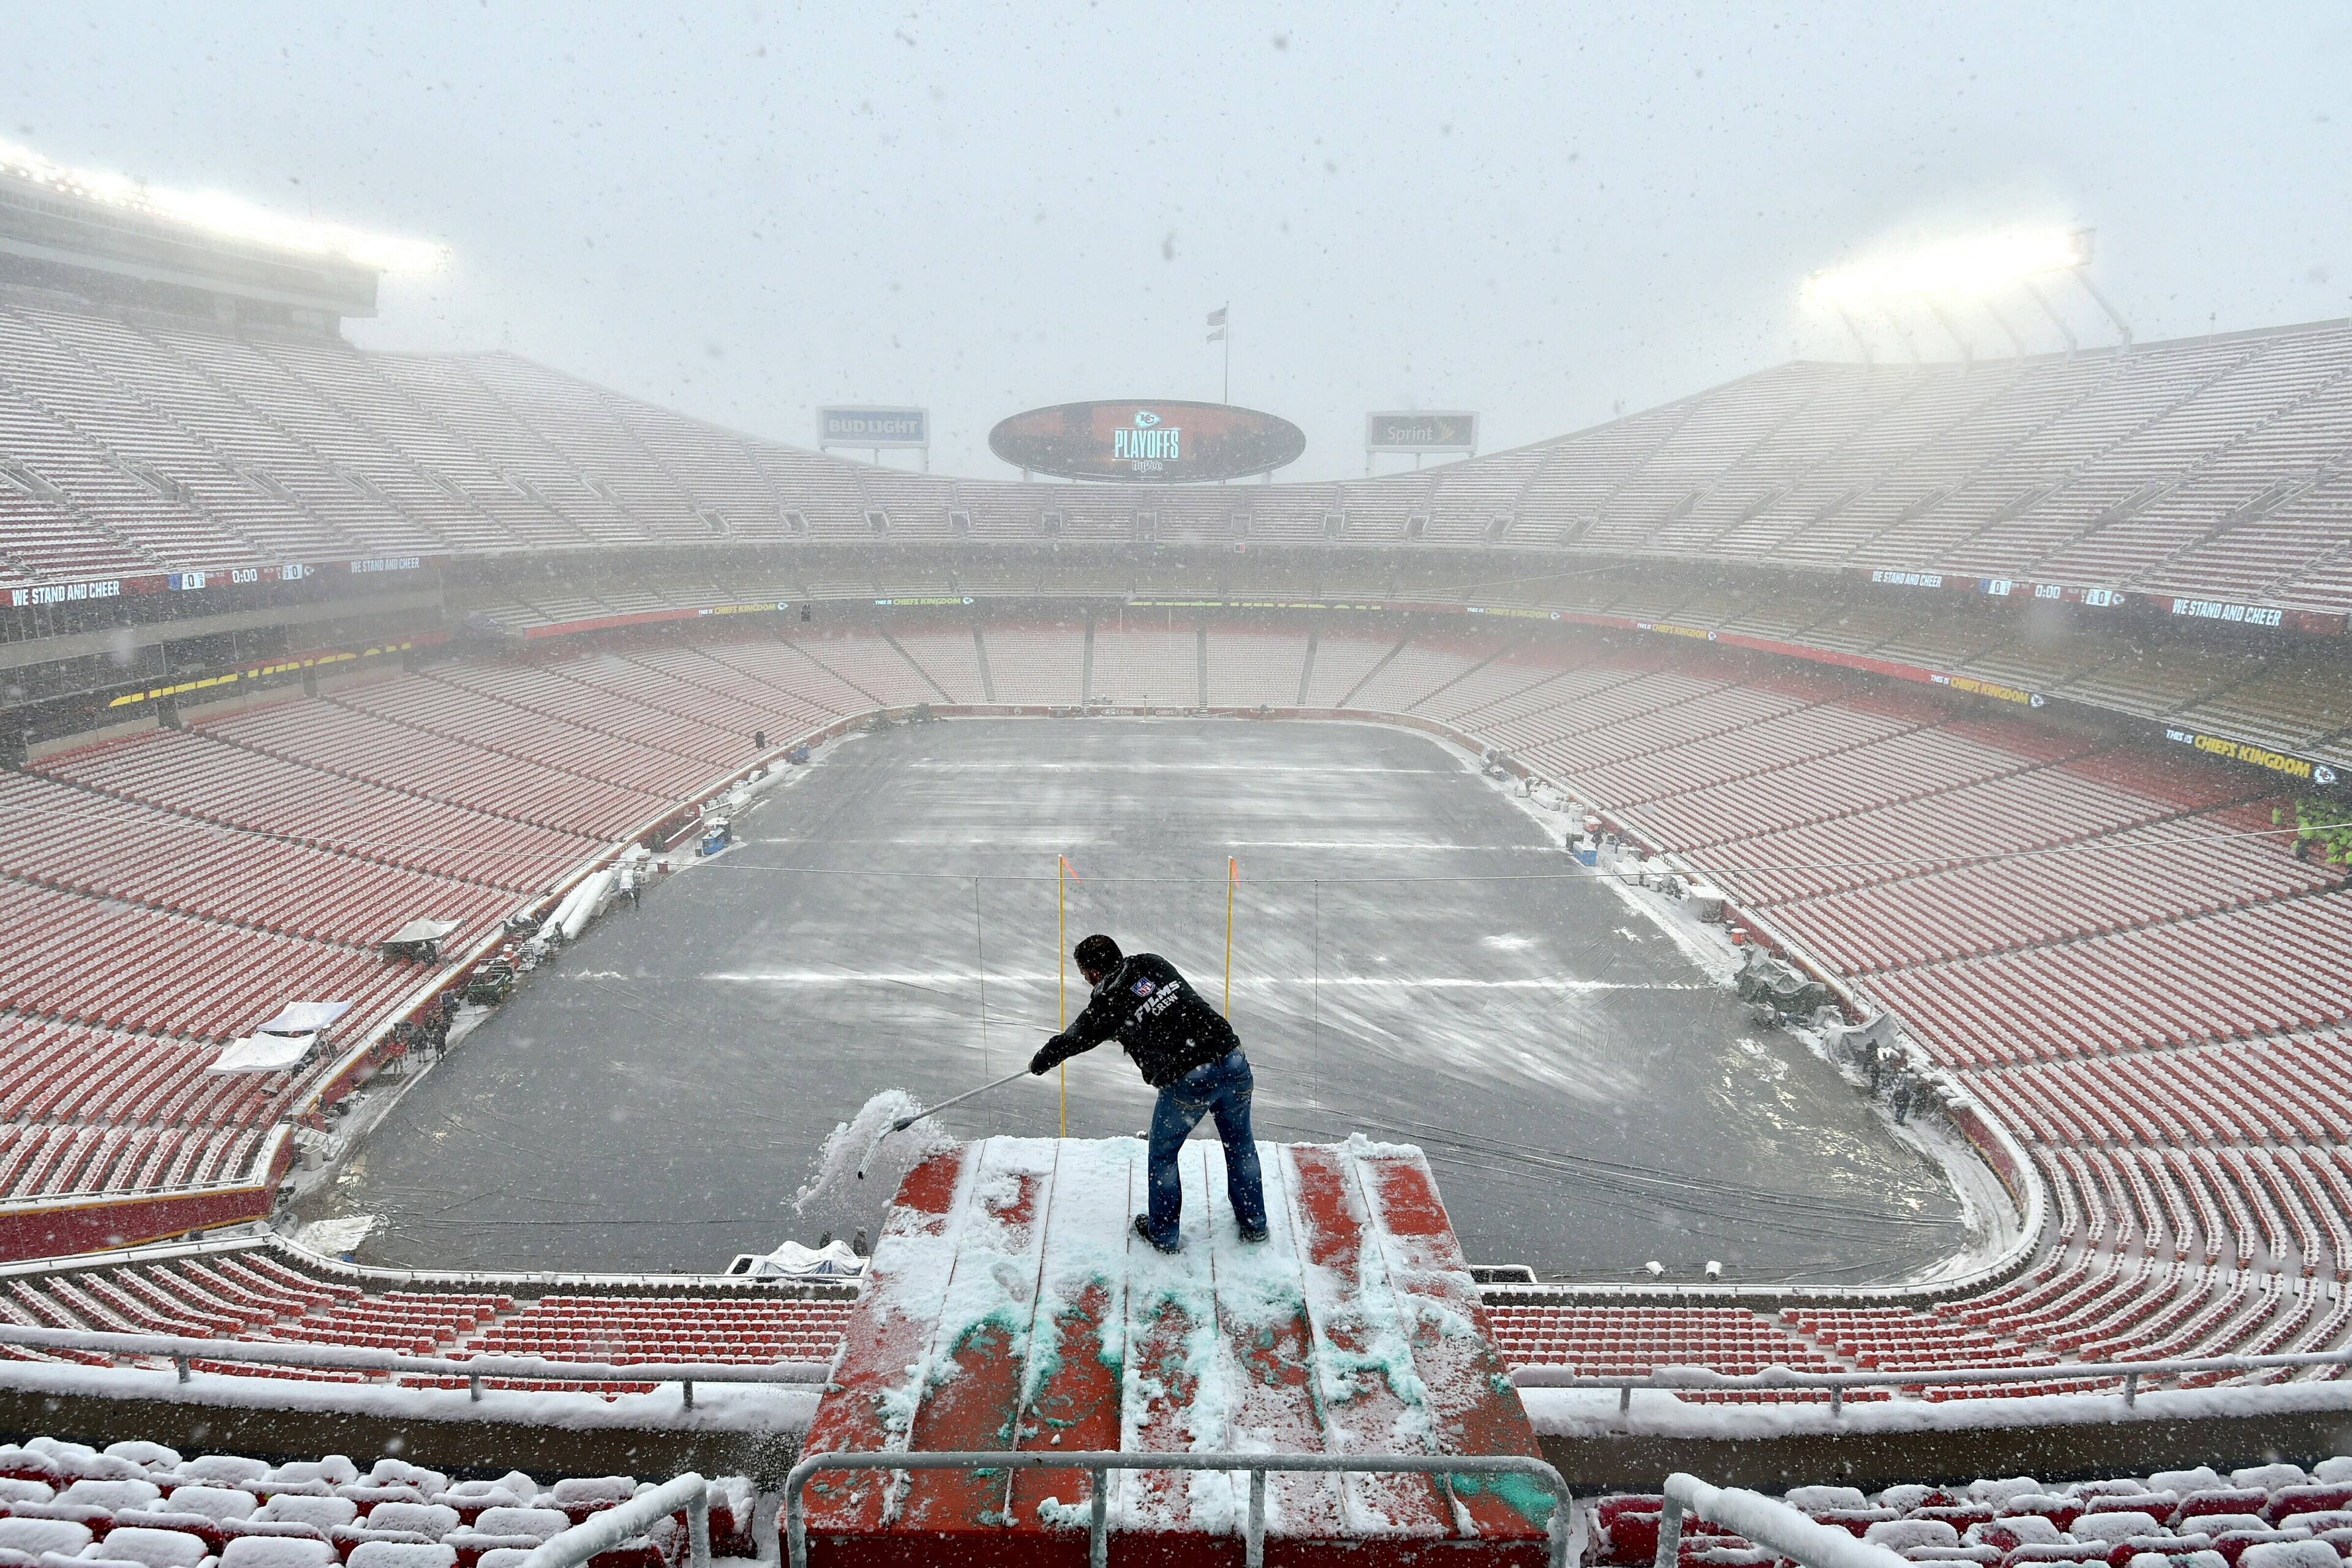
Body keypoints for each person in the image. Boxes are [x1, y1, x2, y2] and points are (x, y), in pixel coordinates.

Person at [1030, 933, 1268, 1253]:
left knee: (1163, 1155)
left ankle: (1164, 1235)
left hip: (1190, 1080)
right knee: (1240, 1144)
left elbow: (1074, 1038)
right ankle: (1254, 1224)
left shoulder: (1108, 1004)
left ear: (1095, 974)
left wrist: (1041, 1061)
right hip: (1232, 1058)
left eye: (1085, 974)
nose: (1085, 980)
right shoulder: (1151, 963)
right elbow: (1164, 1008)